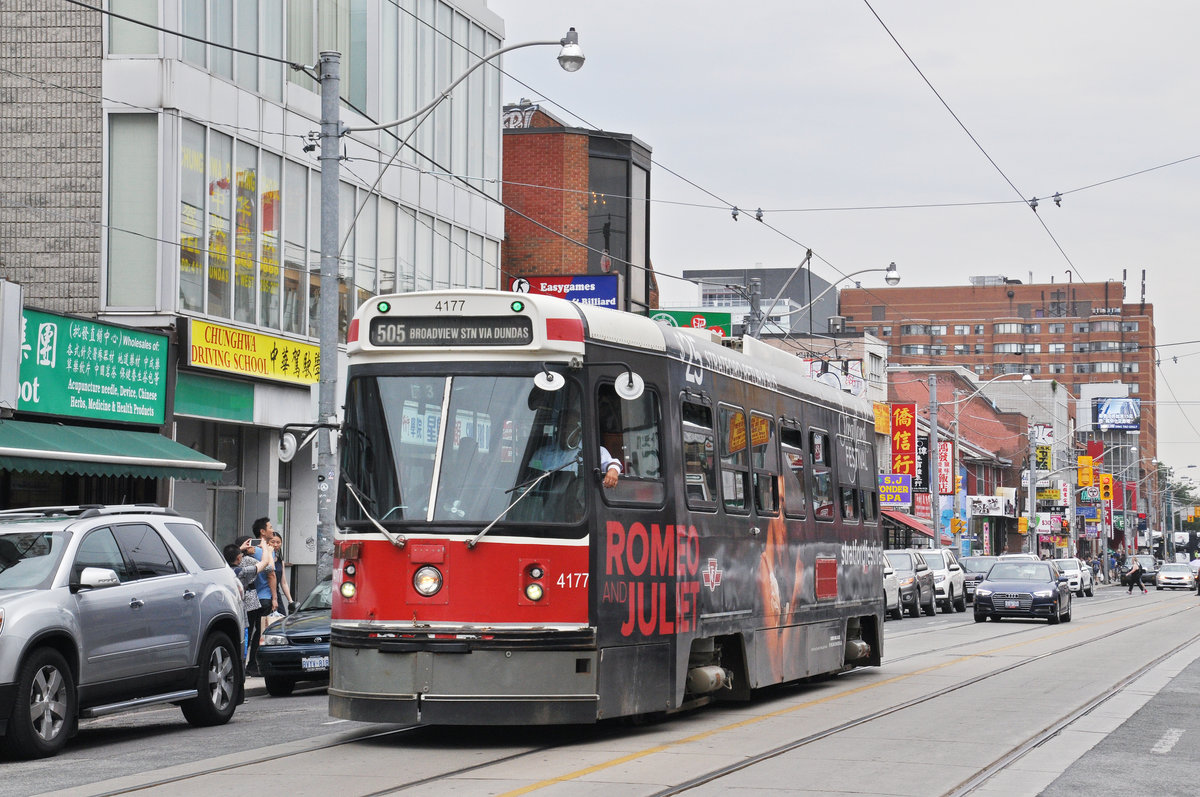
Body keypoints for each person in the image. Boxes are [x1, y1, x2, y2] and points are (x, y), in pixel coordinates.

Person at [223, 536, 273, 669]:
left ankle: (232, 667)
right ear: (239, 557)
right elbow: (266, 565)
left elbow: (225, 559)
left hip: (227, 608)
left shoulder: (222, 570)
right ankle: (244, 667)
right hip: (245, 605)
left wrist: (239, 550)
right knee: (247, 636)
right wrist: (265, 548)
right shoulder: (243, 571)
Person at [269, 531, 296, 614]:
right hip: (266, 595)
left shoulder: (280, 561)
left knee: (282, 617)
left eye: (278, 542)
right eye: (272, 542)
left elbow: (283, 582)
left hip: (277, 595)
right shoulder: (264, 559)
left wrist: (290, 601)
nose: (275, 545)